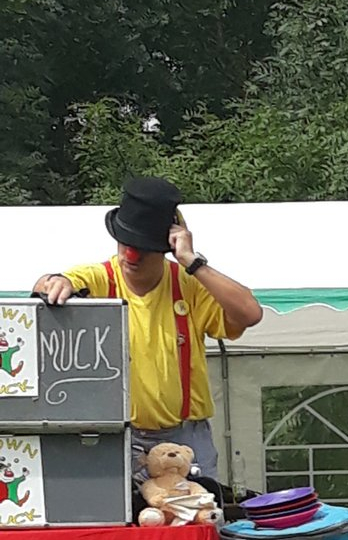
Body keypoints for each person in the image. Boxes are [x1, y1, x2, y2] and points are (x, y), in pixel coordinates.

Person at [30, 176, 262, 480]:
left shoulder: (189, 284)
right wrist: (54, 281)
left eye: (142, 247)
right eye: (125, 243)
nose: (131, 256)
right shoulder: (99, 279)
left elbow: (250, 313)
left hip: (185, 441)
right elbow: (46, 287)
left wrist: (192, 261)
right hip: (118, 437)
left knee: (196, 509)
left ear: (166, 246)